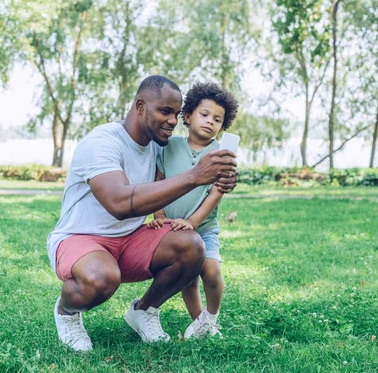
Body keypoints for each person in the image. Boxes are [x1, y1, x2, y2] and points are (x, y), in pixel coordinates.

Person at [47, 75, 239, 351]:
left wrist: (223, 178)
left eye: (175, 113)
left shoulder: (157, 146)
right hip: (82, 239)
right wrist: (196, 176)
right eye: (165, 111)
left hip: (130, 239)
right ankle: (66, 311)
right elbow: (119, 204)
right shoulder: (102, 142)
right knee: (102, 278)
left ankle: (144, 310)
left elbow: (188, 171)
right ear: (140, 107)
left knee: (192, 246)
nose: (173, 121)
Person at [147, 82, 239, 339]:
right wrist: (159, 215)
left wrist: (193, 221)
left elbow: (216, 193)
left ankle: (211, 316)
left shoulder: (221, 154)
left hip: (204, 228)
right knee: (188, 277)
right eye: (204, 114)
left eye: (218, 119)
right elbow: (159, 182)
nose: (210, 122)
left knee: (210, 270)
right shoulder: (169, 146)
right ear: (187, 116)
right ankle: (199, 322)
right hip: (172, 229)